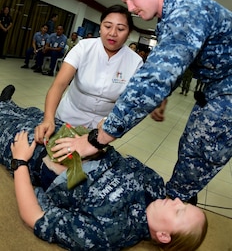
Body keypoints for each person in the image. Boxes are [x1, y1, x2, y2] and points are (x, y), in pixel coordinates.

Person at [63, 0, 232, 206]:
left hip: (226, 92)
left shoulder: (186, 13)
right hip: (218, 87)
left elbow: (152, 81)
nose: (130, 8)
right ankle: (177, 202)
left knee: (202, 150)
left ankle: (175, 213)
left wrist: (97, 139)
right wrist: (162, 97)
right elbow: (171, 65)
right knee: (191, 148)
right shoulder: (168, 20)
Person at [0, 85, 207, 251]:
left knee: (7, 124)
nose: (177, 201)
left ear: (163, 235)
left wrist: (20, 162)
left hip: (38, 156)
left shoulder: (107, 233)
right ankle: (7, 104)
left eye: (179, 212)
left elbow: (35, 218)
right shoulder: (155, 188)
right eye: (184, 204)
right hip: (72, 140)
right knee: (33, 114)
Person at [35, 4, 143, 142]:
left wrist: (111, 124)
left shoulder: (136, 62)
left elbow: (132, 103)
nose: (113, 33)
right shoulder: (84, 47)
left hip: (103, 125)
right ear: (100, 26)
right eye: (108, 26)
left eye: (120, 29)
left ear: (129, 33)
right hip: (70, 115)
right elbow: (59, 85)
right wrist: (48, 119)